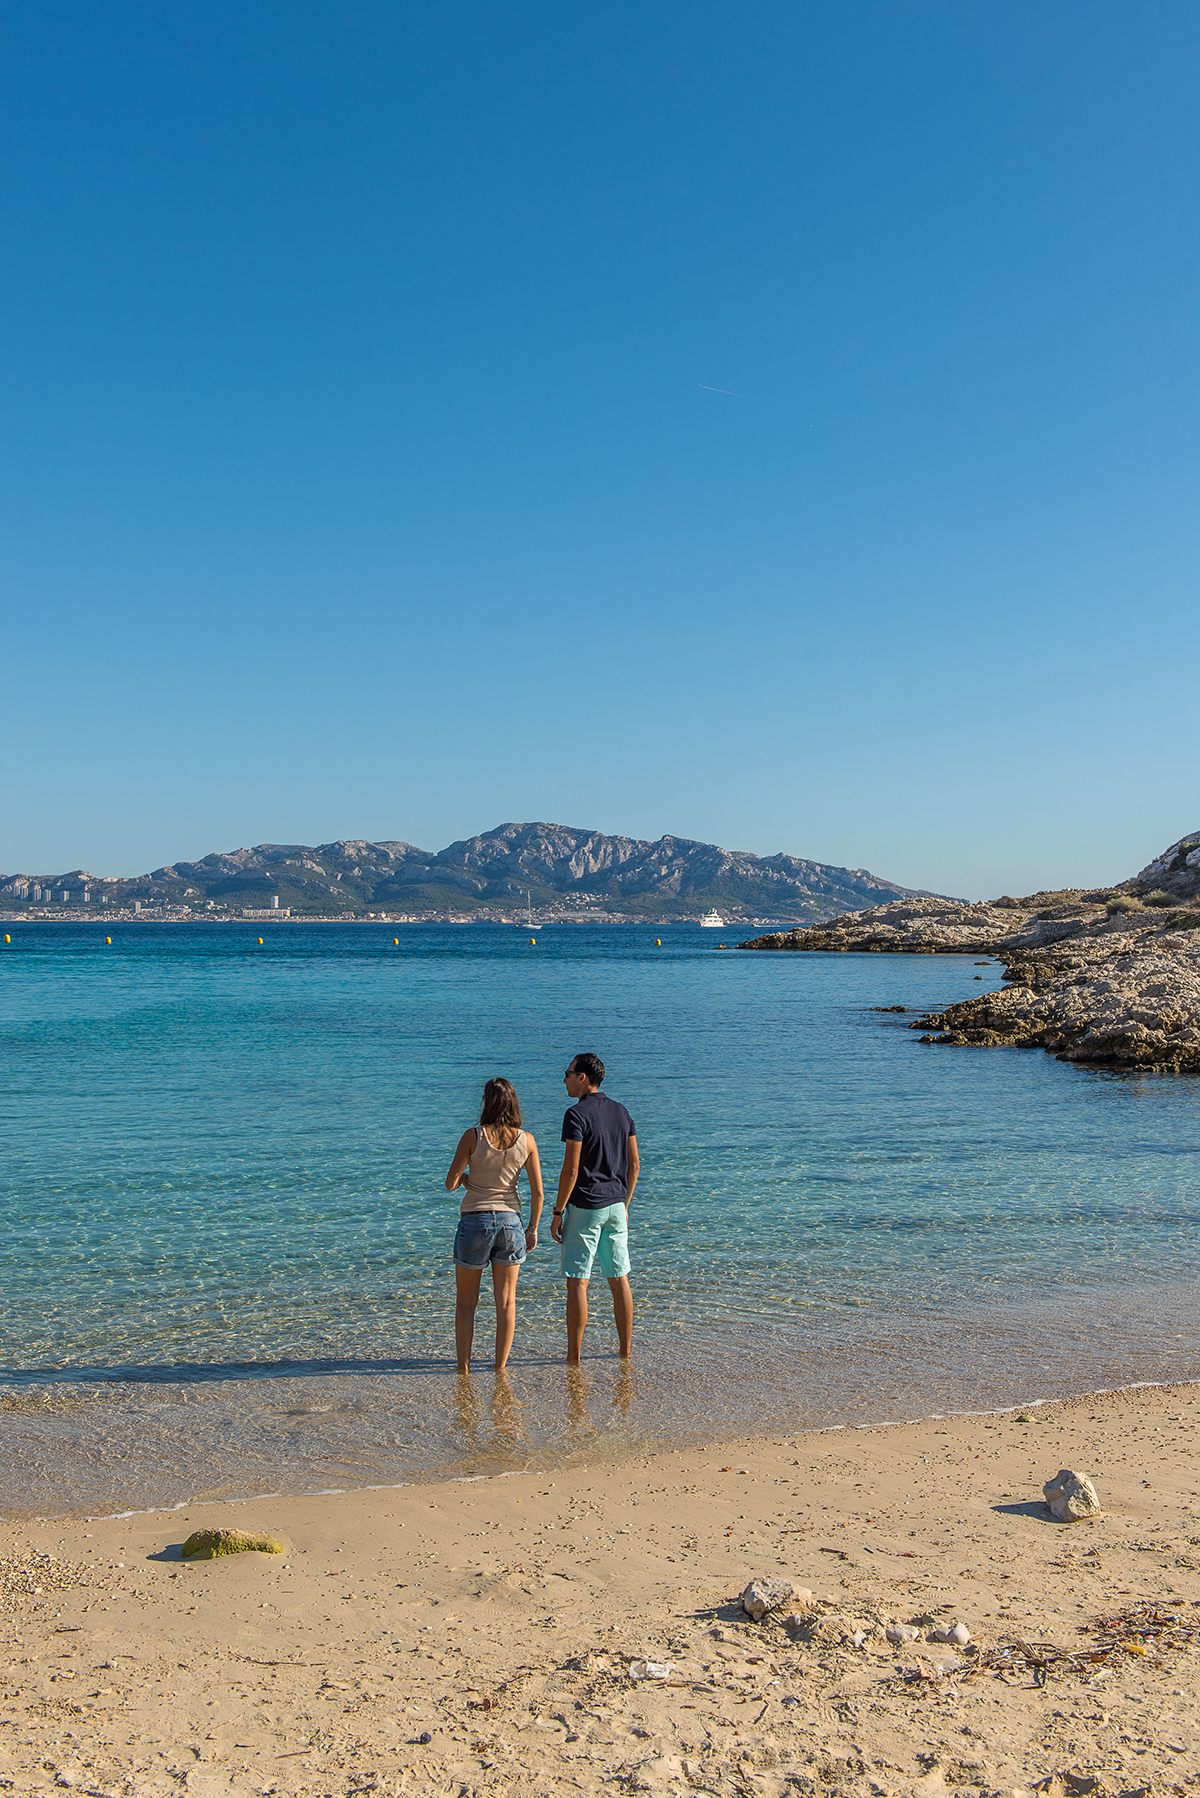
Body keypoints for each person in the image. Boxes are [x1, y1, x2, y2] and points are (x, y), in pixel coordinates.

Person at [444, 1077, 543, 1374]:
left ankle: (463, 1369)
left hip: (475, 1220)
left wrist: (467, 1180)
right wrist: (532, 1229)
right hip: (511, 1223)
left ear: (487, 1102)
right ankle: (500, 1368)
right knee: (507, 1302)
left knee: (466, 1303)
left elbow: (450, 1183)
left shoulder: (473, 1136)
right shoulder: (527, 1140)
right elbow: (538, 1193)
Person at [549, 1053, 638, 1364]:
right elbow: (635, 1166)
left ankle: (573, 1358)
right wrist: (625, 1203)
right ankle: (625, 1353)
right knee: (619, 1278)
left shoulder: (576, 1114)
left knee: (578, 1280)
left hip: (586, 1206)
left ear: (582, 1077)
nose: (564, 1079)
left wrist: (557, 1212)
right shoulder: (622, 1112)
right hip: (616, 1204)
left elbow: (571, 1170)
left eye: (568, 1073)